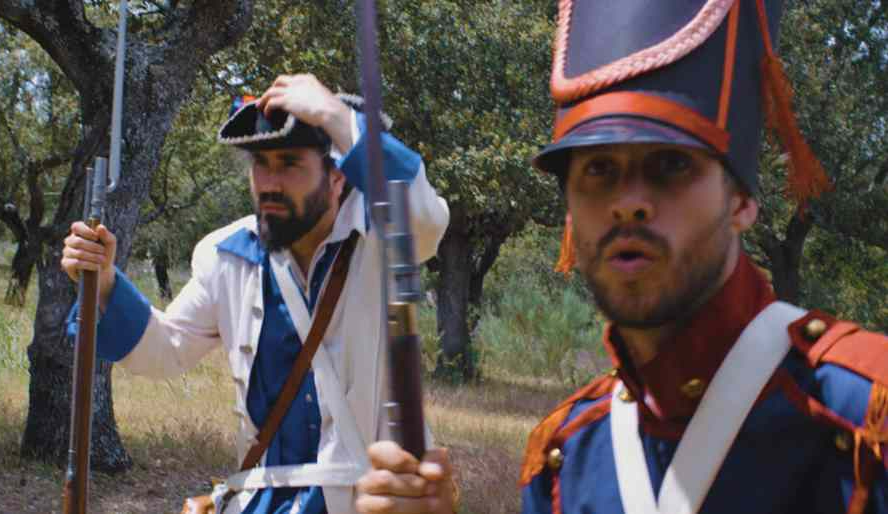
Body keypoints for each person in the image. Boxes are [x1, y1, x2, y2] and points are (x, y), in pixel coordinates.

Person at [354, 1, 888, 513]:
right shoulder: (565, 457)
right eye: (599, 170)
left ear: (742, 201)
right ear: (568, 214)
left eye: (670, 165)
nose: (628, 203)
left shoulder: (864, 416)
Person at [61, 73, 449, 514]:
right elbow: (166, 350)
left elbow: (423, 215)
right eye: (260, 163)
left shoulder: (382, 237)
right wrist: (105, 281)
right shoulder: (226, 254)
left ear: (338, 176)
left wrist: (335, 116)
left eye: (289, 163)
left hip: (367, 503)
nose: (268, 182)